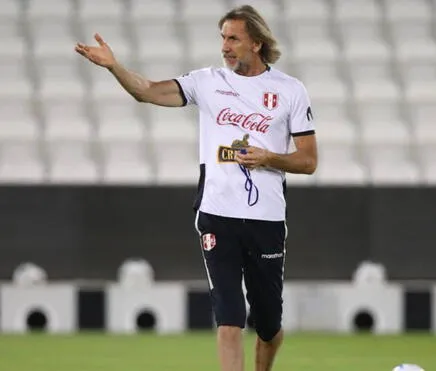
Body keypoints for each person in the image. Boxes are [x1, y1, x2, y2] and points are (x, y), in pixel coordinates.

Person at [75, 5, 318, 371]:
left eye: (233, 38)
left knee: (268, 326)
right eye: (222, 37)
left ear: (256, 42)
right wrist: (115, 67)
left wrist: (268, 157)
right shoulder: (207, 82)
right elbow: (148, 92)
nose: (225, 46)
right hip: (217, 215)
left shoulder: (290, 91)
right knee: (230, 317)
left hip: (266, 219)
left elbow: (308, 161)